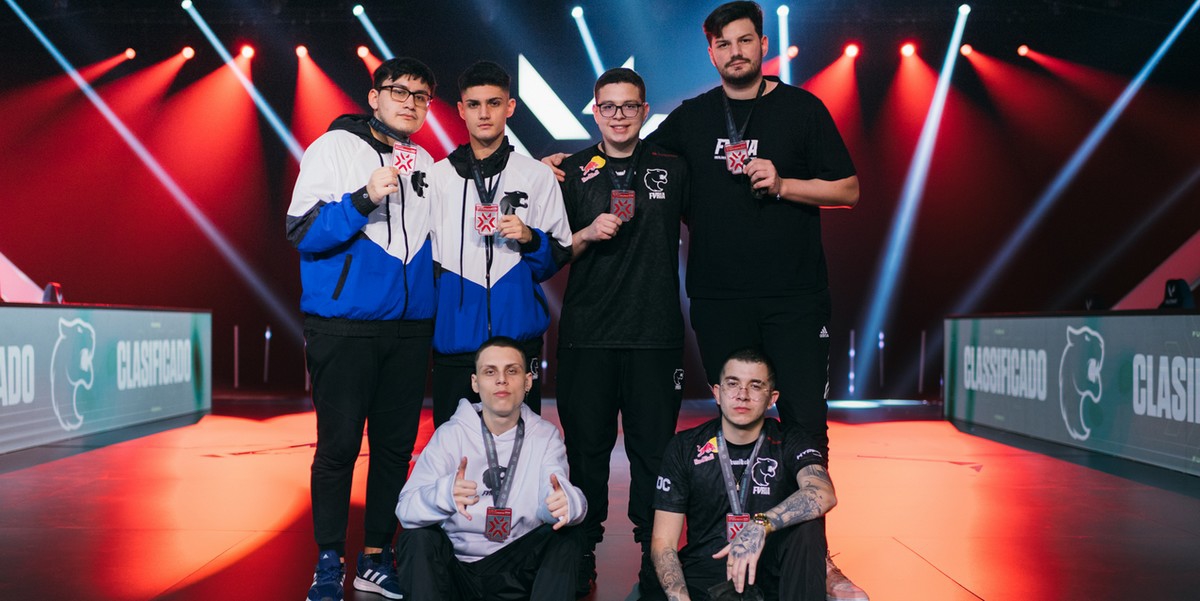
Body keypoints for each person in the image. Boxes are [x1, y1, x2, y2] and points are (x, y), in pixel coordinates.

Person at [644, 3, 865, 598]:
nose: (735, 52)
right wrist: (569, 165)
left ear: (763, 45)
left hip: (794, 297)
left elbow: (849, 189)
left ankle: (815, 559)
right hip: (719, 296)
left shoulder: (802, 109)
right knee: (735, 419)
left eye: (745, 41)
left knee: (804, 422)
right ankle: (729, 545)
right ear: (710, 52)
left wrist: (785, 183)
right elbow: (633, 162)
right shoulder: (691, 117)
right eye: (724, 44)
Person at [286, 57, 438, 601]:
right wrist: (363, 198)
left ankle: (376, 555)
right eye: (399, 91)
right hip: (344, 326)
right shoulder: (332, 148)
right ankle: (328, 561)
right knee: (339, 448)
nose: (410, 103)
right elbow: (301, 231)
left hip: (410, 329)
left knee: (395, 450)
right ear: (374, 97)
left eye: (421, 96)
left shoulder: (425, 160)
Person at [554, 67, 688, 595]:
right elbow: (550, 252)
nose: (618, 116)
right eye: (608, 106)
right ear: (594, 111)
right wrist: (586, 232)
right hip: (587, 334)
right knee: (585, 452)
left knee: (653, 454)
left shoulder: (673, 167)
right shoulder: (570, 170)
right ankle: (582, 551)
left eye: (629, 106)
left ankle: (655, 556)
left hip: (655, 335)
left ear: (644, 111)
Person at [428, 61, 573, 426]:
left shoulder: (537, 175)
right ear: (461, 109)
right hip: (455, 340)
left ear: (509, 107)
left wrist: (530, 238)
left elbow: (556, 256)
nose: (484, 113)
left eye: (493, 103)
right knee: (455, 450)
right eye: (474, 104)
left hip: (517, 343)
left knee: (519, 447)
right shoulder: (435, 178)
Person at [395, 336, 588, 600]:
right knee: (416, 538)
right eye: (490, 371)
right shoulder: (450, 434)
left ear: (527, 381)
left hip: (517, 569)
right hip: (456, 572)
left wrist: (566, 505)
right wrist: (445, 494)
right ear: (475, 382)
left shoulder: (545, 435)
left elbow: (556, 494)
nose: (501, 380)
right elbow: (405, 510)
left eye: (512, 371)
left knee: (568, 535)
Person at [649, 348, 837, 601]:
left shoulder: (790, 440)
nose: (742, 395)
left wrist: (760, 525)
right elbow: (663, 543)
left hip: (769, 579)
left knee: (808, 528)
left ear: (772, 398)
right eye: (732, 384)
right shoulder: (685, 446)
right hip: (706, 580)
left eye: (755, 386)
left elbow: (823, 493)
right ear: (717, 393)